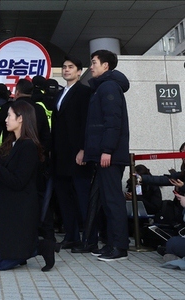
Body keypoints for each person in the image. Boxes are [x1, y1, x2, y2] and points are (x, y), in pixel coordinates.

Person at [0, 100, 57, 271]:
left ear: (21, 119)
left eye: (9, 116)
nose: (6, 120)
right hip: (5, 210)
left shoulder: (29, 146)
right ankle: (17, 250)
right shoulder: (11, 142)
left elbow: (18, 181)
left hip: (19, 213)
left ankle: (36, 248)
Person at [83, 49, 130, 261]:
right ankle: (111, 244)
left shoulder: (109, 87)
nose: (91, 66)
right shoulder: (102, 87)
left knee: (113, 201)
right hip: (103, 154)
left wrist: (106, 150)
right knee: (106, 201)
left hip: (109, 156)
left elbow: (113, 122)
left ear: (106, 66)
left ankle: (119, 248)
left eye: (94, 62)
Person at [51, 56, 95, 253]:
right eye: (64, 66)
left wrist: (84, 149)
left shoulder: (85, 92)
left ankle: (90, 239)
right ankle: (71, 237)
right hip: (60, 155)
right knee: (64, 198)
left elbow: (88, 123)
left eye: (71, 67)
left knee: (82, 198)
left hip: (78, 154)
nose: (66, 70)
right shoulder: (59, 94)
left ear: (79, 71)